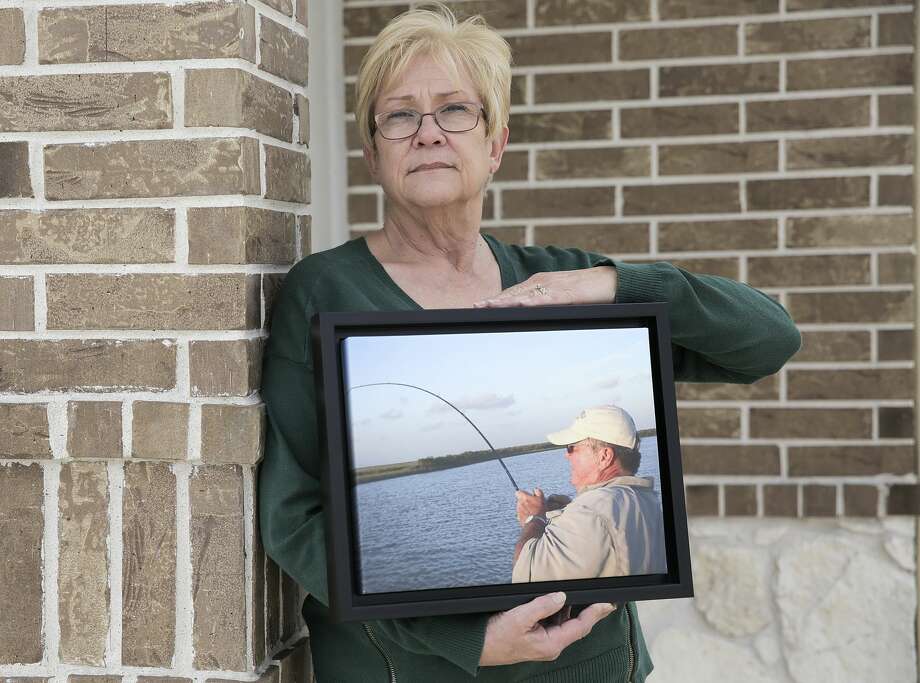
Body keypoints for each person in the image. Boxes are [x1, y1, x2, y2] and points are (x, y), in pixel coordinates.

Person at [257, 3, 801, 682]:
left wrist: (613, 283)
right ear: (372, 150)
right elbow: (293, 518)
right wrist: (465, 637)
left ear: (497, 143)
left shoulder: (565, 284)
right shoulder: (325, 292)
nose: (428, 133)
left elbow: (769, 340)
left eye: (456, 109)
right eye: (400, 115)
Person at [512, 405, 668, 585]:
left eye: (572, 447)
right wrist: (567, 513)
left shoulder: (591, 512)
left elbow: (527, 574)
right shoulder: (645, 498)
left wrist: (534, 519)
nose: (566, 455)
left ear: (604, 456)